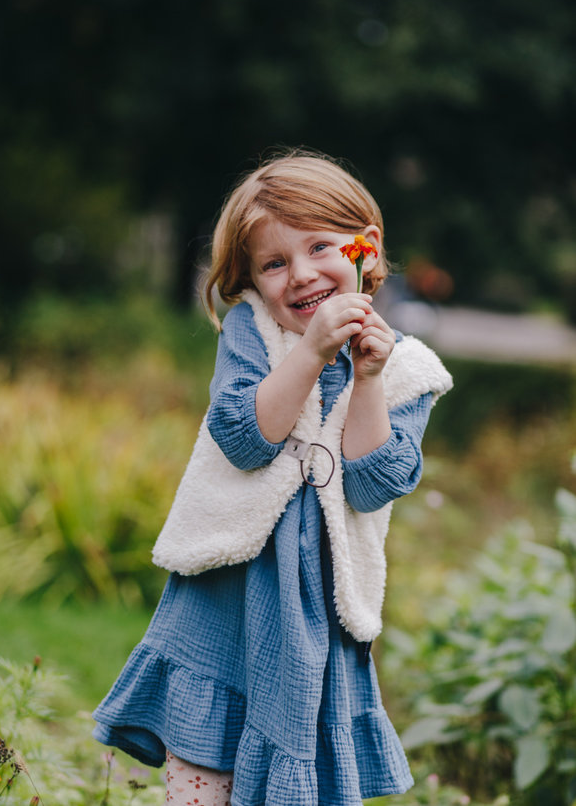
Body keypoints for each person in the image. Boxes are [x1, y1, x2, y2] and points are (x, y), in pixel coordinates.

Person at [92, 150, 453, 806]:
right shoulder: (253, 331)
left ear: (366, 251)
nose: (302, 274)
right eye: (274, 263)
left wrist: (366, 378)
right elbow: (244, 437)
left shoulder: (406, 371)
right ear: (252, 279)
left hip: (319, 609)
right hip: (227, 600)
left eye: (320, 247)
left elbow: (374, 483)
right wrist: (314, 350)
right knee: (200, 777)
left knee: (300, 775)